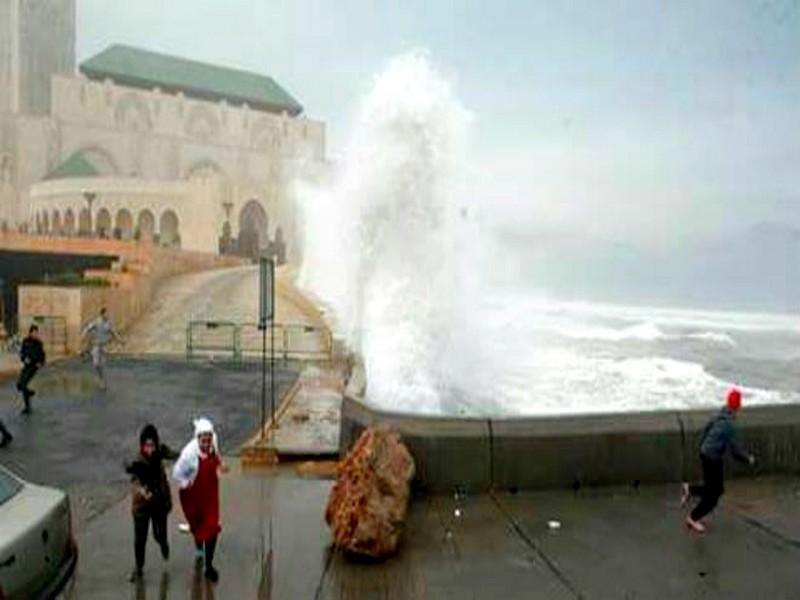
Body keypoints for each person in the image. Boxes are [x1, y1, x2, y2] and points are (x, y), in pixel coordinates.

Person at [682, 388, 755, 533]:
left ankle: (690, 489)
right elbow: (735, 451)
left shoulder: (719, 415)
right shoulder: (729, 425)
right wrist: (748, 459)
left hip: (708, 454)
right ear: (738, 406)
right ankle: (693, 518)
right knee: (712, 497)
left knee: (717, 489)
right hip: (711, 458)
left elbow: (706, 430)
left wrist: (704, 446)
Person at [172, 418, 225, 583]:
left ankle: (209, 567)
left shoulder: (213, 442)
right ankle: (198, 544)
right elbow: (176, 473)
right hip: (192, 494)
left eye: (209, 439)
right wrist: (185, 483)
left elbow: (216, 456)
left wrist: (221, 465)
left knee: (212, 528)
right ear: (197, 438)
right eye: (203, 440)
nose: (206, 443)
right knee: (197, 526)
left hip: (210, 493)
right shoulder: (188, 454)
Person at [125, 424, 179, 581]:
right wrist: (142, 492)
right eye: (147, 445)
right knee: (139, 539)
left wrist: (187, 454)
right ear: (142, 445)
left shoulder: (160, 451)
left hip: (160, 502)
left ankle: (163, 543)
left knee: (159, 534)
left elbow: (174, 454)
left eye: (152, 445)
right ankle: (139, 567)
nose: (150, 449)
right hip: (142, 505)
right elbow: (134, 481)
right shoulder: (138, 461)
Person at [81, 307, 121, 388]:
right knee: (96, 364)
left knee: (102, 364)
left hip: (104, 346)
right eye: (106, 314)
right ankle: (99, 376)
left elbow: (113, 332)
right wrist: (83, 335)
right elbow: (88, 328)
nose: (107, 315)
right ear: (102, 314)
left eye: (107, 314)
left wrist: (119, 340)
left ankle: (102, 380)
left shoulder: (108, 323)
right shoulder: (97, 322)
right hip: (96, 345)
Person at [17, 324, 45, 414]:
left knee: (23, 384)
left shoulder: (39, 343)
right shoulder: (25, 341)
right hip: (26, 365)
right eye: (34, 333)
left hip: (33, 367)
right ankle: (29, 393)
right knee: (19, 385)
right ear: (30, 333)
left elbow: (42, 355)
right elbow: (22, 353)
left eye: (36, 333)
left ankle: (27, 407)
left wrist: (40, 363)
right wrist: (24, 359)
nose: (35, 334)